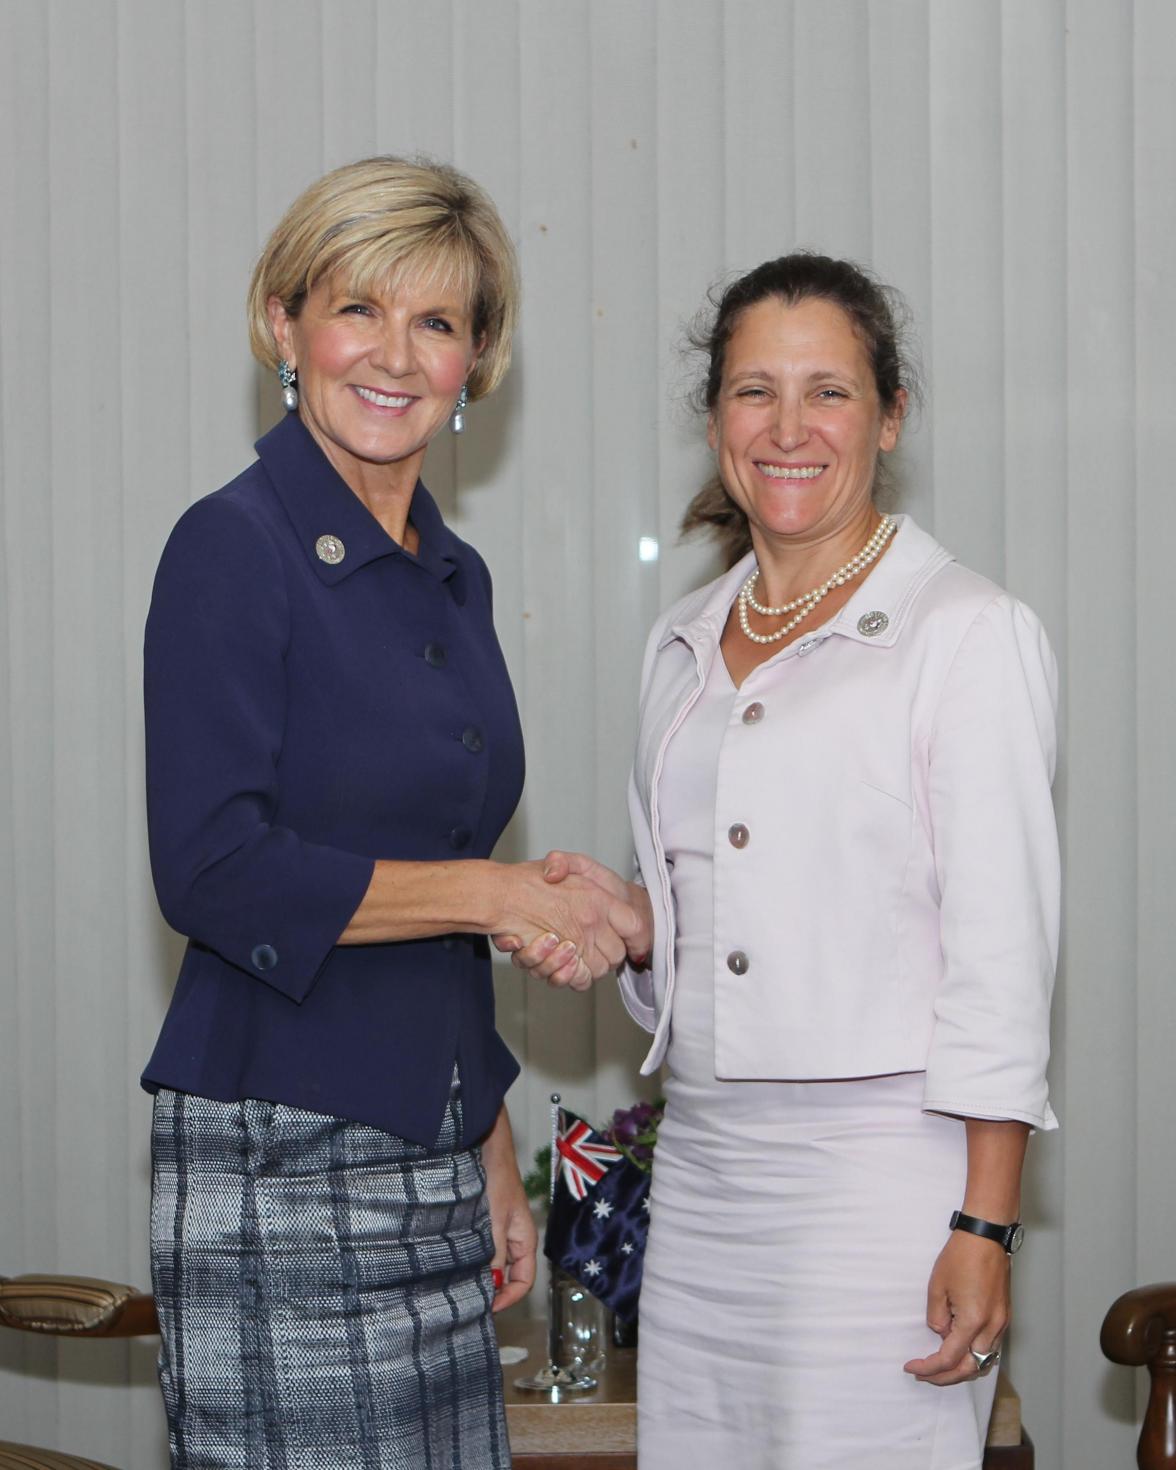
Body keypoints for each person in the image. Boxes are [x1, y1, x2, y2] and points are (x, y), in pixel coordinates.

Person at [141, 155, 647, 1469]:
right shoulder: (232, 545)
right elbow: (215, 869)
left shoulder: (453, 577)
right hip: (281, 1160)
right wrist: (503, 895)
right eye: (358, 306)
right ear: (284, 324)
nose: (394, 351)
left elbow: (432, 876)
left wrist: (483, 1130)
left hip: (430, 1162)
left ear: (477, 361)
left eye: (438, 322)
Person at [511, 254, 1058, 1469]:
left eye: (831, 392)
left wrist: (987, 1220)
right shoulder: (681, 639)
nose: (790, 428)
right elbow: (741, 899)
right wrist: (648, 929)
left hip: (883, 1179)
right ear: (715, 421)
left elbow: (1002, 953)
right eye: (756, 392)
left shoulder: (966, 631)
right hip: (702, 1172)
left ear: (891, 416)